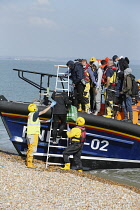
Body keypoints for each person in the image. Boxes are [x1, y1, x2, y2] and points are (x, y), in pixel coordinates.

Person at [26, 101, 56, 168]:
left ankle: (28, 160)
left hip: (29, 133)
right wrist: (50, 106)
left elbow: (37, 121)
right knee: (33, 148)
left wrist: (46, 121)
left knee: (29, 148)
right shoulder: (35, 114)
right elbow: (43, 112)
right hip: (33, 133)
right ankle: (29, 163)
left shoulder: (30, 115)